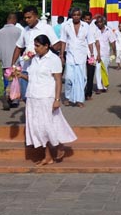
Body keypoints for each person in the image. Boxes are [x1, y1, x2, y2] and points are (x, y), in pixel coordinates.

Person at [16, 34, 76, 166]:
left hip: (46, 97)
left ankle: (58, 146)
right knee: (38, 128)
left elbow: (58, 80)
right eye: (35, 46)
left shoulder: (53, 59)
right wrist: (21, 75)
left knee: (47, 126)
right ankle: (47, 155)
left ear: (46, 46)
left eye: (38, 46)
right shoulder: (34, 59)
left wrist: (57, 99)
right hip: (32, 96)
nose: (35, 49)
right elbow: (34, 77)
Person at [13, 6, 62, 102]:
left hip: (41, 68)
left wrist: (44, 50)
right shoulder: (25, 30)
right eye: (25, 18)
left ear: (36, 16)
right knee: (25, 95)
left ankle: (37, 115)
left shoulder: (46, 28)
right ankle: (31, 114)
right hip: (26, 67)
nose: (27, 20)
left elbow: (57, 45)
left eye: (29, 17)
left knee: (38, 95)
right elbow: (18, 47)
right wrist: (13, 64)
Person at [60, 7, 91, 107]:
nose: (76, 17)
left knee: (81, 79)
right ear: (71, 15)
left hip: (82, 55)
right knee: (69, 78)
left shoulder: (85, 26)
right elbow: (63, 41)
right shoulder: (66, 25)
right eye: (74, 15)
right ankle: (68, 97)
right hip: (70, 55)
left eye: (78, 15)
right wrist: (61, 55)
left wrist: (93, 55)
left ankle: (79, 100)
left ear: (80, 15)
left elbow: (90, 41)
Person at [0, 13, 22, 110]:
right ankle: (14, 99)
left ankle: (7, 95)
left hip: (4, 60)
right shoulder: (18, 31)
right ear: (14, 20)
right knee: (15, 79)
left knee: (7, 79)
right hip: (16, 59)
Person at [81, 11, 101, 100]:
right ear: (83, 19)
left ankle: (88, 94)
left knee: (90, 73)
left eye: (89, 19)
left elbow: (97, 42)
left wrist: (99, 54)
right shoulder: (79, 27)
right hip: (81, 54)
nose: (87, 21)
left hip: (91, 55)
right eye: (85, 19)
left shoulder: (94, 28)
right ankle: (80, 93)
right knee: (81, 75)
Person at [95, 16, 115, 92]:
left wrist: (114, 52)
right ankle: (99, 87)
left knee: (105, 70)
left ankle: (105, 85)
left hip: (106, 53)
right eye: (98, 22)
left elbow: (112, 42)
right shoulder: (95, 30)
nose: (99, 24)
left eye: (100, 22)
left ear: (104, 22)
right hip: (97, 54)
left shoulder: (109, 31)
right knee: (98, 70)